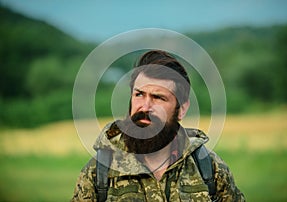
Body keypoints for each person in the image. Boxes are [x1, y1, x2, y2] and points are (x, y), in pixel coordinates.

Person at [71, 50, 245, 201]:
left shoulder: (210, 169)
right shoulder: (99, 172)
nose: (145, 107)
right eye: (139, 94)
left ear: (182, 109)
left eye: (159, 98)